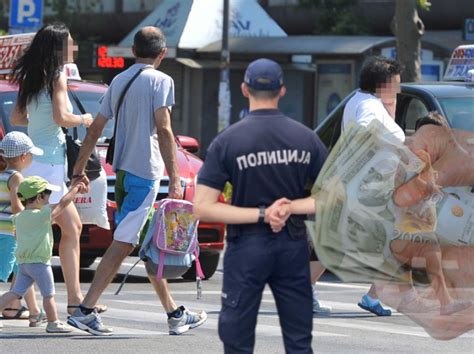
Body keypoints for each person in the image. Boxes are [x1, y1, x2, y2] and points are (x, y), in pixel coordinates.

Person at [67, 26, 206, 336]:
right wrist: (175, 175)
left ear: (132, 51)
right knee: (123, 243)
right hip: (146, 173)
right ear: (163, 53)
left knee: (148, 244)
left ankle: (174, 313)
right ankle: (85, 311)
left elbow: (95, 129)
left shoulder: (119, 80)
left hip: (126, 172)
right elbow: (165, 129)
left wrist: (78, 167)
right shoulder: (162, 80)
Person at [194, 58, 328, 353]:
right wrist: (290, 208)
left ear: (244, 89)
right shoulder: (306, 138)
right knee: (299, 342)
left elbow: (202, 207)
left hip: (246, 247)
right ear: (282, 91)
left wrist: (262, 214)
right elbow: (337, 196)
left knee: (238, 341)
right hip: (293, 247)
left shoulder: (228, 141)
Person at [9, 22, 96, 315]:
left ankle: (38, 302)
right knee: (67, 228)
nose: (75, 48)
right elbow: (61, 116)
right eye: (70, 43)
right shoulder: (57, 75)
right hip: (49, 164)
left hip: (34, 159)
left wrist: (40, 121)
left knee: (48, 231)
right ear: (59, 48)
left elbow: (18, 117)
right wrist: (83, 119)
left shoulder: (31, 76)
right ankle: (73, 302)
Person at [341, 56, 404, 316]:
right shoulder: (370, 107)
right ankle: (372, 295)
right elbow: (365, 133)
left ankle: (373, 295)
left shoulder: (362, 100)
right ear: (383, 84)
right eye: (396, 84)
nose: (399, 89)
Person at [0, 175, 85, 333]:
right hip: (40, 262)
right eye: (48, 195)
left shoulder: (18, 217)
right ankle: (53, 322)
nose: (49, 199)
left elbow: (17, 236)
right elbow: (63, 204)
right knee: (48, 294)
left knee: (15, 292)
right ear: (39, 197)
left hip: (23, 263)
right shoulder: (42, 214)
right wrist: (75, 189)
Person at [0, 132, 43, 326]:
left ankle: (34, 311)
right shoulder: (16, 177)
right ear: (24, 156)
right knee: (4, 272)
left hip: (4, 231)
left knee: (23, 271)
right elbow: (17, 207)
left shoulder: (2, 175)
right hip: (11, 233)